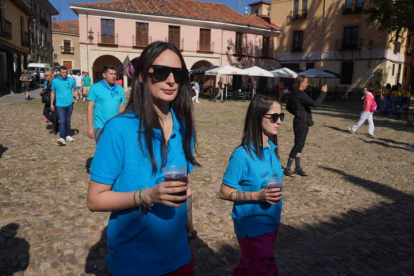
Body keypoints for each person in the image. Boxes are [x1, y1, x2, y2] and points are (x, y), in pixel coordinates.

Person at [87, 41, 199, 276]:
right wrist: (147, 196)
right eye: (160, 72)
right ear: (140, 76)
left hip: (179, 259)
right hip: (133, 262)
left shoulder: (184, 127)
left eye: (178, 74)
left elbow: (186, 187)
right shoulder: (118, 130)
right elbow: (95, 200)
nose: (171, 80)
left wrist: (189, 231)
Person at [219, 95, 284, 276]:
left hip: (272, 223)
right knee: (265, 269)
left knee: (249, 266)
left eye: (281, 116)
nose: (278, 121)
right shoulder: (241, 155)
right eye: (274, 117)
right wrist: (258, 196)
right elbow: (224, 192)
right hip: (253, 226)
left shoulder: (272, 149)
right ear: (257, 116)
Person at [284, 76, 328, 177]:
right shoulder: (300, 93)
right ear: (301, 83)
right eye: (306, 82)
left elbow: (288, 106)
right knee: (298, 145)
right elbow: (315, 103)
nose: (307, 84)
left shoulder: (294, 92)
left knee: (300, 144)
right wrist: (323, 92)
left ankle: (298, 168)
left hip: (299, 122)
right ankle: (287, 168)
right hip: (301, 123)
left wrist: (297, 114)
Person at [86, 65, 126, 141]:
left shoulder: (120, 89)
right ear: (104, 75)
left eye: (115, 74)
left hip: (116, 126)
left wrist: (123, 125)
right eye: (111, 74)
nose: (114, 76)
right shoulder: (94, 88)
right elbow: (90, 108)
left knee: (116, 151)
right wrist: (90, 127)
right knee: (103, 151)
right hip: (101, 126)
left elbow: (122, 108)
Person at [50, 66, 78, 146]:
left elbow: (75, 89)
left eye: (66, 72)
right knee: (62, 121)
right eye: (63, 72)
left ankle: (68, 135)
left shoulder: (71, 80)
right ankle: (62, 137)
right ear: (59, 72)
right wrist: (51, 103)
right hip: (59, 105)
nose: (64, 74)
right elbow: (52, 92)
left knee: (68, 120)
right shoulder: (55, 81)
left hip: (69, 104)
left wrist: (76, 98)